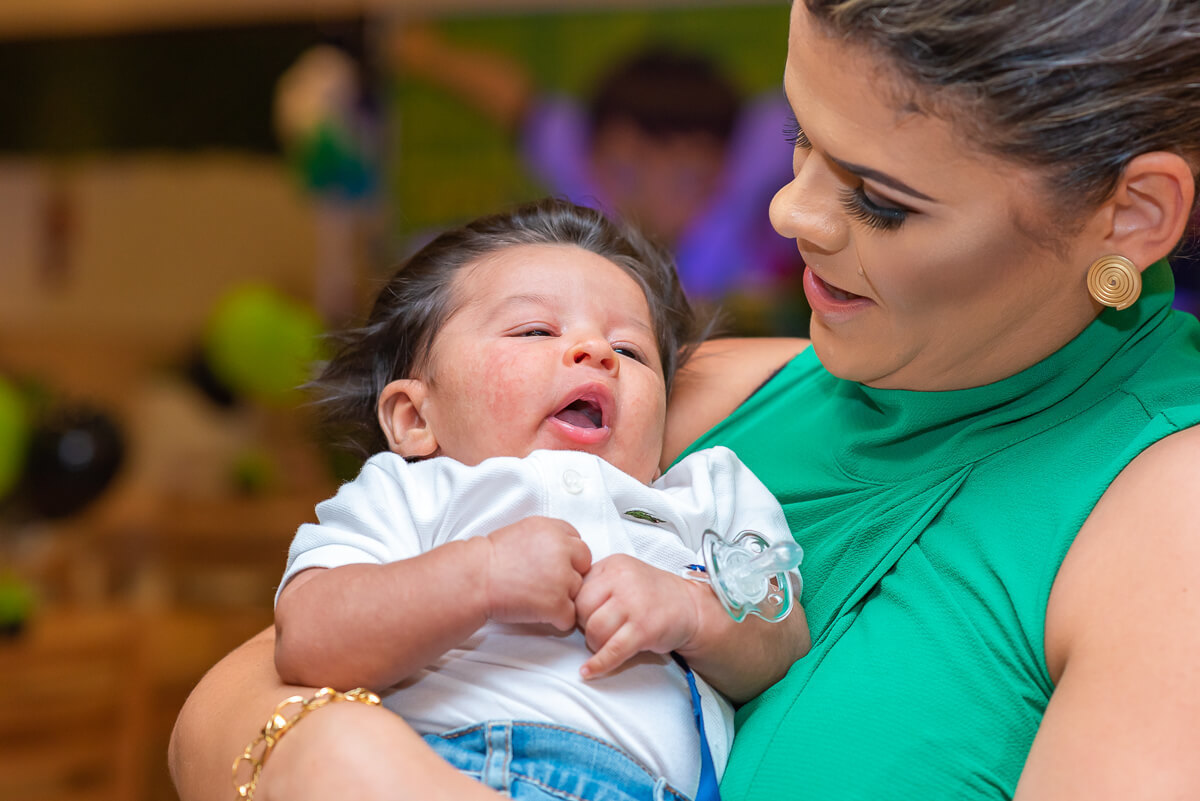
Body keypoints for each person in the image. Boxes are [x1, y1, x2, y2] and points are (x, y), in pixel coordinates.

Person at [170, 1, 1200, 799]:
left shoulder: (1165, 523)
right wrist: (340, 761)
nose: (787, 211)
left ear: (1133, 213)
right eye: (799, 138)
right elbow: (231, 697)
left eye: (881, 200)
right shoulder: (687, 394)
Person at [266, 197, 807, 801]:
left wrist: (691, 611)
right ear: (415, 417)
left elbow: (781, 638)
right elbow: (308, 639)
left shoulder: (699, 492)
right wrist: (480, 576)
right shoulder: (408, 491)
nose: (596, 352)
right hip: (447, 766)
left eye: (629, 350)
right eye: (535, 330)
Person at [390, 24, 805, 315]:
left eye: (685, 180)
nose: (652, 199)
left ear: (729, 165)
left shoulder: (748, 180)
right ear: (589, 154)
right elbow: (512, 98)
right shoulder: (577, 158)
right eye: (626, 174)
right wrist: (423, 52)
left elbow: (792, 110)